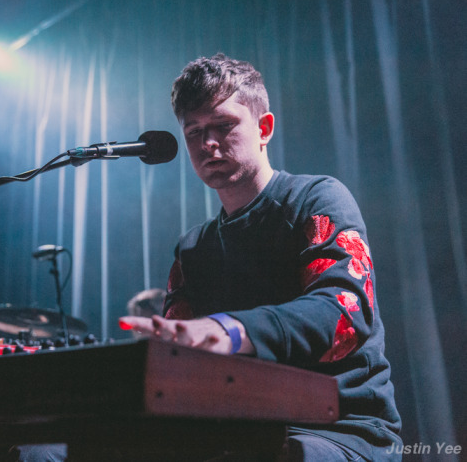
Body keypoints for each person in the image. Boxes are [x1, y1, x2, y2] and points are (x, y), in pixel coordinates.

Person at [119, 53, 402, 461]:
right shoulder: (192, 248)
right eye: (194, 131)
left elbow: (343, 313)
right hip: (235, 430)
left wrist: (232, 330)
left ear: (264, 128)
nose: (208, 143)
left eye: (223, 125)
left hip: (340, 429)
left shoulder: (317, 198)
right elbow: (177, 359)